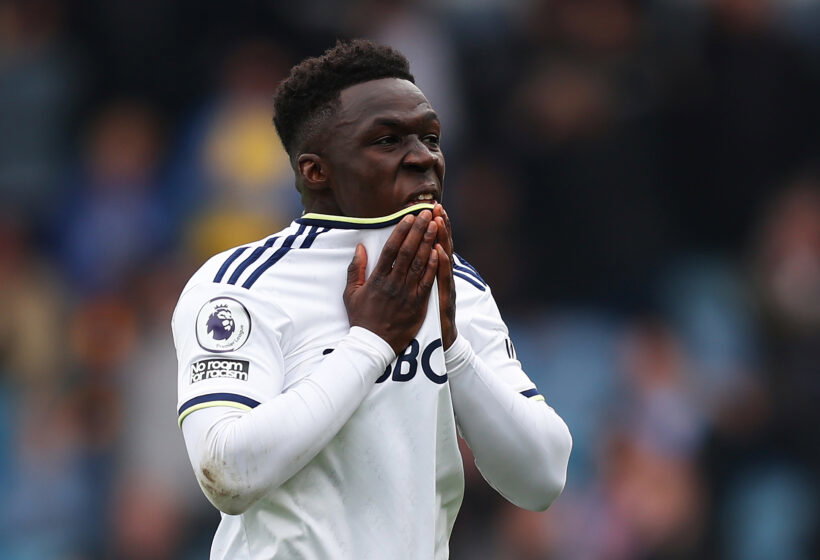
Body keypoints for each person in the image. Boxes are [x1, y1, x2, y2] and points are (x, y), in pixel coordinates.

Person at [173, 39, 572, 559]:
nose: (423, 157)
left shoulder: (458, 287)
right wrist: (370, 342)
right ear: (316, 170)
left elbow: (542, 478)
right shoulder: (242, 285)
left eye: (431, 137)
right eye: (388, 140)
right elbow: (226, 473)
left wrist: (452, 348)